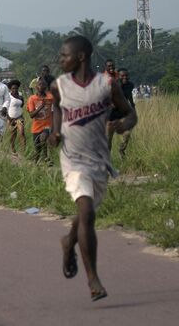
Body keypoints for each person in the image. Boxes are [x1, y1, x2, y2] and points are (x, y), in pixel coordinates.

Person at [49, 35, 137, 302]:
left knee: (86, 214)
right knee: (86, 211)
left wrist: (126, 124)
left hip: (99, 160)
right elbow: (56, 107)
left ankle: (68, 241)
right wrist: (54, 132)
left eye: (64, 56)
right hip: (72, 159)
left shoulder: (106, 85)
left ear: (81, 57)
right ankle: (93, 280)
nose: (60, 60)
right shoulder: (59, 85)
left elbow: (130, 112)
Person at [107, 68, 136, 158]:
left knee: (127, 133)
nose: (125, 77)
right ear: (118, 77)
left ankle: (121, 150)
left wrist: (132, 106)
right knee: (108, 139)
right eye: (122, 76)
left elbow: (129, 95)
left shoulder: (130, 85)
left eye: (126, 75)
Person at [27, 78, 54, 164]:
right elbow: (31, 115)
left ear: (46, 86)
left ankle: (46, 157)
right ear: (36, 87)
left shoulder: (50, 97)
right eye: (40, 84)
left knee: (44, 137)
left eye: (43, 84)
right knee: (37, 149)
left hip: (48, 125)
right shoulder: (32, 99)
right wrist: (40, 107)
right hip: (36, 126)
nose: (41, 86)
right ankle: (36, 165)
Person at [7, 80, 26, 154]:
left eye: (16, 88)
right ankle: (12, 149)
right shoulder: (8, 96)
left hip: (19, 117)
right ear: (10, 89)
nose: (15, 90)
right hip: (10, 118)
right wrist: (9, 118)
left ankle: (23, 150)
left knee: (22, 132)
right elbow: (5, 108)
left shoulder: (20, 95)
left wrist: (22, 99)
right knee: (12, 135)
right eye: (13, 88)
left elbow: (21, 105)